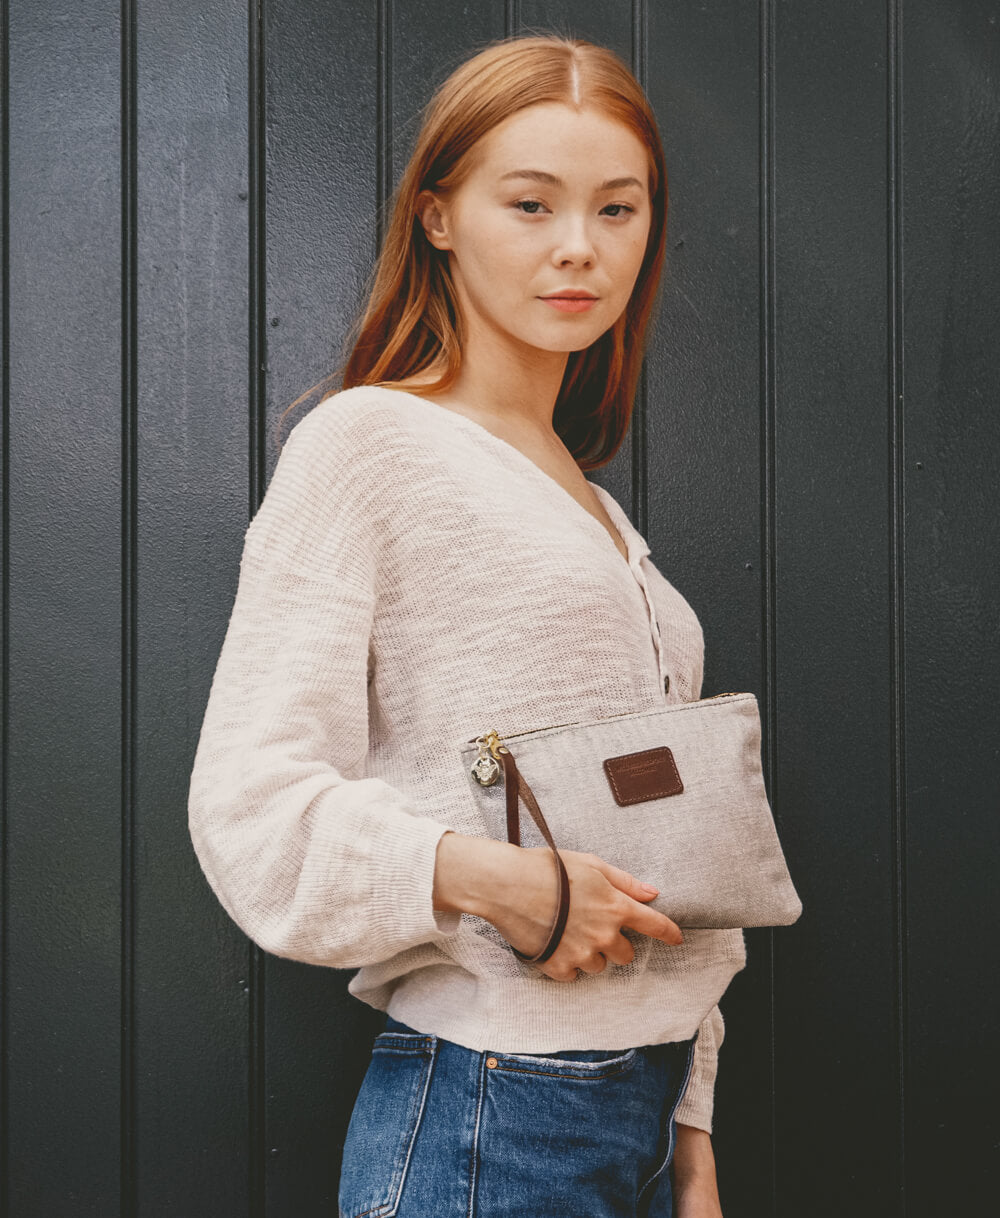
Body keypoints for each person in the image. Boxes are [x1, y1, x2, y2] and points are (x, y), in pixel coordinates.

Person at [188, 32, 746, 1218]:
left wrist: (688, 1126)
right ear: (438, 217)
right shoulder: (368, 446)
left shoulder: (589, 500)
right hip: (493, 1111)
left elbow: (683, 853)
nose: (578, 248)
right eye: (530, 203)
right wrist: (496, 883)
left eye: (617, 207)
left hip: (635, 1118)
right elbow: (249, 799)